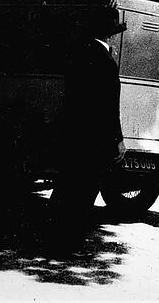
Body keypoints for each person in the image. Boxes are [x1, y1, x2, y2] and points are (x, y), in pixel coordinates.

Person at [49, 19, 127, 253]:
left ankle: (54, 235)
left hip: (72, 134)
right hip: (95, 139)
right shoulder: (106, 63)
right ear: (110, 37)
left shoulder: (77, 56)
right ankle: (69, 242)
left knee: (66, 185)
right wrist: (118, 139)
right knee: (85, 190)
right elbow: (109, 107)